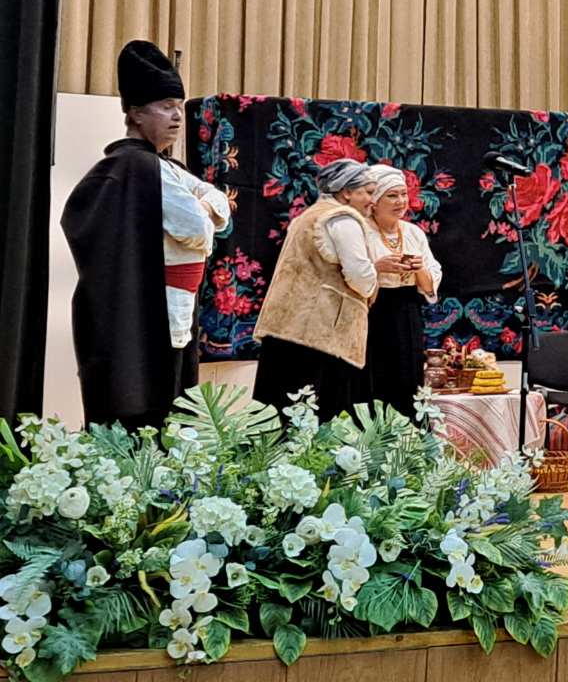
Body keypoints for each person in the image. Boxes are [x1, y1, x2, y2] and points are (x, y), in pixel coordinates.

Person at [62, 40, 230, 429]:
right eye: (166, 106)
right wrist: (203, 208)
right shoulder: (135, 169)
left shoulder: (168, 169)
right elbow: (199, 231)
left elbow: (219, 204)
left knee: (173, 405)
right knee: (145, 410)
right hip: (145, 311)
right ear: (136, 113)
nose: (177, 116)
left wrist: (203, 206)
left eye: (179, 106)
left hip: (177, 308)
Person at [254, 159, 405, 416]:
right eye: (367, 192)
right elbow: (359, 275)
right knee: (314, 414)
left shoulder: (309, 215)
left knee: (279, 411)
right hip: (317, 333)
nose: (371, 200)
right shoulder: (343, 219)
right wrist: (373, 279)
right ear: (346, 192)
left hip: (287, 326)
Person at [363, 164, 443, 417]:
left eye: (403, 194)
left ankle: (407, 437)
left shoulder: (412, 232)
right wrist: (378, 268)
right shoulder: (361, 231)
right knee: (373, 378)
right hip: (372, 311)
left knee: (407, 378)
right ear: (374, 201)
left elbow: (429, 287)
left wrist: (419, 269)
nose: (400, 202)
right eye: (392, 195)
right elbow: (348, 274)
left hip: (406, 311)